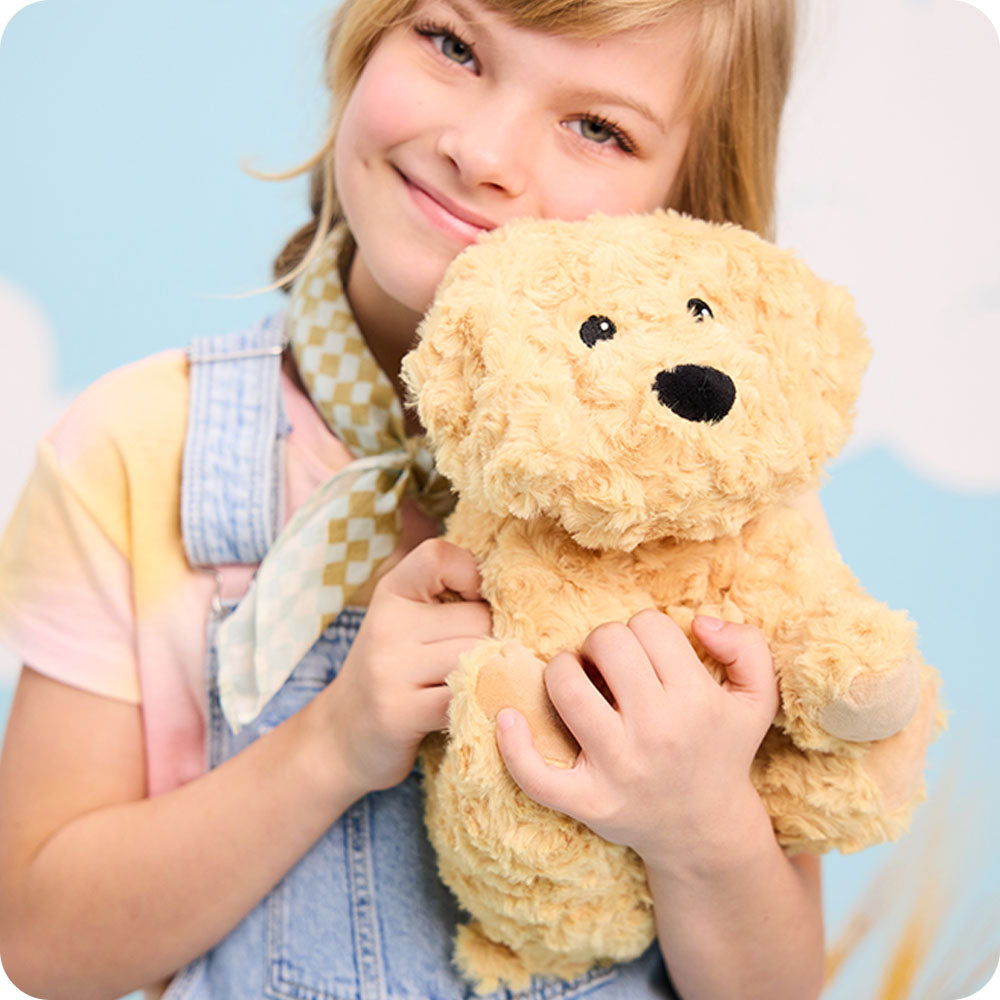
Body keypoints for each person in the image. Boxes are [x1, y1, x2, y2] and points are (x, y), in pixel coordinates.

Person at [0, 0, 826, 997]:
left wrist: (700, 827)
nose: (483, 153)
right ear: (364, 37)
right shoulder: (140, 446)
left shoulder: (713, 494)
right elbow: (42, 941)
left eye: (597, 127)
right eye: (452, 45)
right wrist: (331, 746)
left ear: (688, 205)